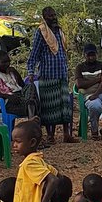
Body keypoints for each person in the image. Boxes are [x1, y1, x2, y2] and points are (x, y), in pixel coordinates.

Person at [26, 8, 75, 145]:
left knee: (65, 107)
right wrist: (30, 72)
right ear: (44, 17)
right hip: (47, 75)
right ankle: (50, 136)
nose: (53, 18)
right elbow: (34, 54)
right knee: (49, 108)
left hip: (62, 74)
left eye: (54, 15)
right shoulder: (41, 32)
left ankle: (67, 134)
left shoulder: (59, 30)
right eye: (50, 16)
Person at [0, 50, 31, 120]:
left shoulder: (10, 71)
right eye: (3, 62)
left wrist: (15, 72)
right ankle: (33, 112)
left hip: (20, 97)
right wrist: (7, 96)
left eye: (8, 61)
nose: (7, 64)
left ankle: (32, 109)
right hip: (6, 103)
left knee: (31, 86)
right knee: (34, 106)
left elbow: (23, 86)